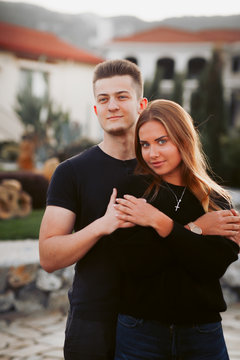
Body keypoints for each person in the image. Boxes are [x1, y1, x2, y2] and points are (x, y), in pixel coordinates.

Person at [110, 99, 240, 360]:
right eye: (145, 145)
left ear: (184, 139)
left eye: (162, 141)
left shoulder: (216, 200)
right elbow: (133, 263)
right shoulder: (133, 191)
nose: (152, 153)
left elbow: (209, 268)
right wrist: (195, 229)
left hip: (201, 332)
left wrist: (160, 223)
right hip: (139, 331)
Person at [39, 59, 148, 360]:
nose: (112, 105)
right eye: (103, 99)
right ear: (96, 108)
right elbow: (49, 256)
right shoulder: (71, 172)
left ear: (142, 103)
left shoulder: (162, 167)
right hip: (92, 321)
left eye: (122, 96)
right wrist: (102, 225)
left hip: (154, 322)